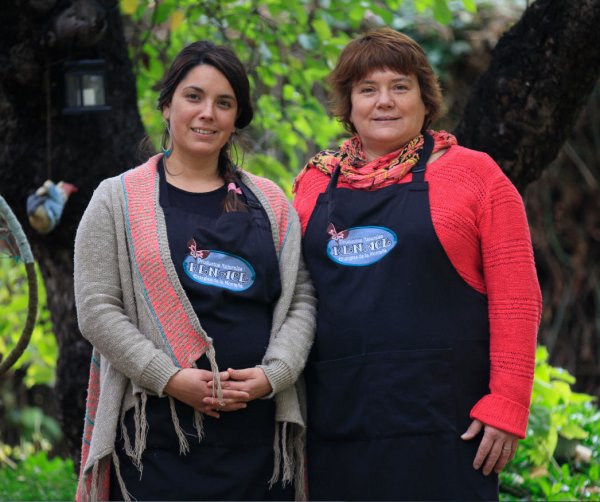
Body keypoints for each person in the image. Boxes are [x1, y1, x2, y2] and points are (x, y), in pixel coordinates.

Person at [293, 27, 542, 501]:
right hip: (338, 425)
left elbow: (518, 297)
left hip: (450, 429)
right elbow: (292, 298)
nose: (383, 101)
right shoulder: (312, 186)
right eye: (367, 90)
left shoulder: (475, 175)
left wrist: (507, 402)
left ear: (425, 101)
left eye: (399, 87)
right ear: (348, 106)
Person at [74, 41, 315, 501]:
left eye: (224, 103)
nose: (207, 113)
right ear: (167, 105)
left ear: (236, 117)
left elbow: (301, 297)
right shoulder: (116, 199)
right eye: (194, 97)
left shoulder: (271, 202)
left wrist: (276, 373)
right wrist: (168, 377)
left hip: (259, 442)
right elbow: (97, 309)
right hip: (155, 438)